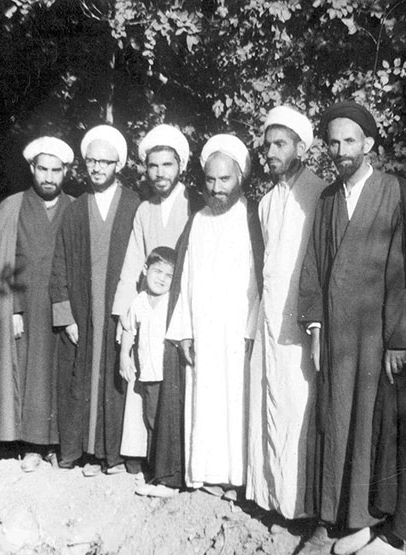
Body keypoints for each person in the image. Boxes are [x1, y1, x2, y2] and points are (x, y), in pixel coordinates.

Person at [297, 102, 406, 555]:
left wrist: (398, 339)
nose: (341, 150)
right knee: (336, 421)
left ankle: (369, 519)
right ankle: (335, 518)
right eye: (334, 142)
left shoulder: (395, 192)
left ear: (369, 144)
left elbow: (403, 270)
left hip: (379, 338)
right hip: (337, 336)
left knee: (373, 427)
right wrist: (316, 329)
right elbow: (314, 265)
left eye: (350, 141)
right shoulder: (328, 199)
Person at [0, 136, 74, 471]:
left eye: (56, 170)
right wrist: (9, 309)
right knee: (29, 373)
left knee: (60, 373)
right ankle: (31, 447)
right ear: (32, 168)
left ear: (66, 172)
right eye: (43, 169)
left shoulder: (74, 207)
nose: (49, 177)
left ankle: (59, 444)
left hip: (62, 304)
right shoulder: (11, 207)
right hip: (22, 307)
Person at [164, 134, 264, 498]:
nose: (217, 188)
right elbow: (185, 278)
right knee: (204, 399)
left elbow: (261, 280)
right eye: (210, 179)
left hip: (238, 333)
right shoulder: (198, 221)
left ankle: (237, 478)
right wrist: (185, 331)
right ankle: (205, 473)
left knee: (237, 404)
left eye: (225, 179)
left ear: (240, 178)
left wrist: (252, 330)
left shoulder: (252, 219)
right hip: (204, 332)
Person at [246, 106, 328, 518]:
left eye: (281, 144)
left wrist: (317, 325)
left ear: (301, 148)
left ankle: (299, 506)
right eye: (268, 145)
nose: (272, 152)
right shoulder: (265, 203)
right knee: (268, 403)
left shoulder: (319, 195)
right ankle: (270, 498)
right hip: (268, 319)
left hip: (302, 322)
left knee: (297, 407)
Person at [111, 124, 203, 479]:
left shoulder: (194, 203)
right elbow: (134, 261)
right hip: (149, 311)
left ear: (180, 166)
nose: (160, 173)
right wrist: (124, 313)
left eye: (167, 165)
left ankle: (182, 462)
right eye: (153, 166)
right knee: (146, 385)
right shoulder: (144, 210)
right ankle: (145, 454)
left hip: (183, 309)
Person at [49, 124, 139, 477]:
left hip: (118, 309)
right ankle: (82, 450)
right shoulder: (74, 210)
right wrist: (66, 315)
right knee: (80, 378)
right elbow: (59, 263)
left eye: (105, 161)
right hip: (83, 311)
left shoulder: (133, 205)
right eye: (91, 161)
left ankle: (111, 454)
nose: (97, 168)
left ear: (119, 164)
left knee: (116, 378)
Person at [118, 246, 176, 488]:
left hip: (170, 376)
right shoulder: (139, 302)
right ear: (145, 270)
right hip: (149, 376)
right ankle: (153, 468)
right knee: (152, 420)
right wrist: (124, 355)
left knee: (169, 423)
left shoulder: (172, 302)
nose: (162, 279)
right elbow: (129, 331)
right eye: (157, 271)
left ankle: (170, 470)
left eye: (168, 275)